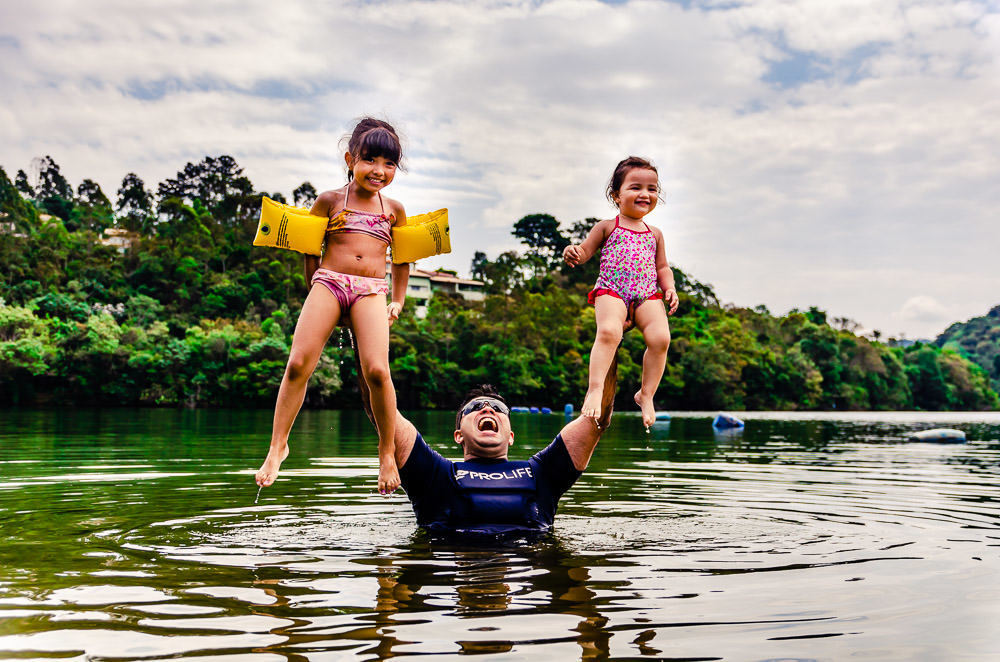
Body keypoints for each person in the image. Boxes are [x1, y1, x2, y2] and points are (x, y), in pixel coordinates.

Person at [256, 117, 410, 494]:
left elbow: (404, 259)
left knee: (377, 370)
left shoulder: (393, 209)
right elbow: (310, 248)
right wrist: (314, 284)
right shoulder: (328, 200)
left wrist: (398, 300)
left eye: (389, 164)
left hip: (372, 290)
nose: (379, 171)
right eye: (370, 160)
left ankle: (386, 452)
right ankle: (278, 447)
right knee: (297, 364)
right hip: (329, 282)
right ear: (350, 158)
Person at [356, 348, 621, 535]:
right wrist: (362, 331)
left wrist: (613, 338)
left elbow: (596, 421)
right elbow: (379, 409)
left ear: (511, 435)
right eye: (474, 408)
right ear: (458, 434)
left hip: (523, 573)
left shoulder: (542, 473)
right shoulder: (434, 475)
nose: (487, 409)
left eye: (497, 408)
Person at [563, 156, 679, 430]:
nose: (645, 194)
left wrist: (670, 287)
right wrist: (572, 251)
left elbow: (662, 267)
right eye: (636, 187)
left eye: (652, 189)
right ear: (616, 195)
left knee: (661, 338)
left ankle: (646, 394)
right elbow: (584, 253)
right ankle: (595, 389)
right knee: (608, 333)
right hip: (612, 290)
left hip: (647, 293)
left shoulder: (656, 233)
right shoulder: (607, 226)